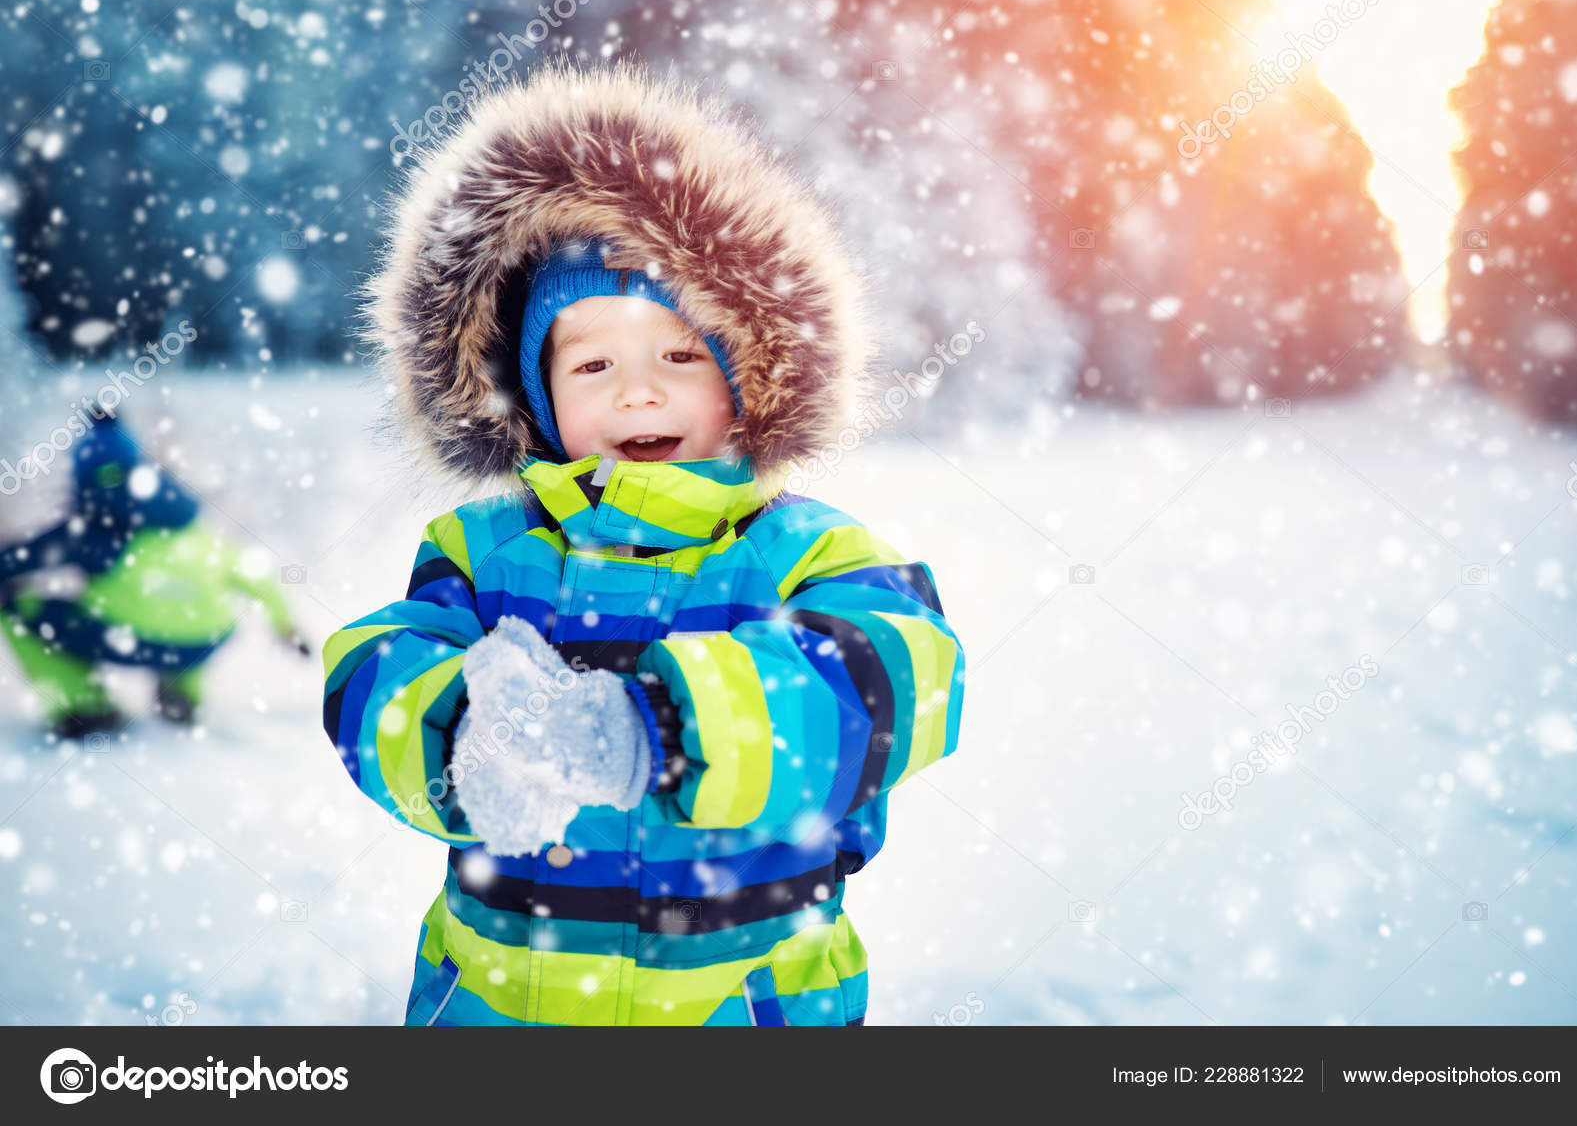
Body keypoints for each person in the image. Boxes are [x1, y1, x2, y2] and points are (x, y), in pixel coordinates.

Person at [323, 59, 966, 1026]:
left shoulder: (806, 553)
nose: (638, 391)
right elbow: (370, 672)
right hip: (501, 1009)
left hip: (744, 1004)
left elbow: (905, 682)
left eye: (679, 353)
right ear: (536, 396)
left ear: (748, 375)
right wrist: (461, 736)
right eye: (592, 362)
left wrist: (660, 728)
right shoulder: (485, 552)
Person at [0, 408, 310, 736]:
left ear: (80, 473)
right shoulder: (188, 521)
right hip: (203, 637)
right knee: (192, 613)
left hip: (129, 636)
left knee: (18, 608)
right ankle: (182, 695)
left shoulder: (90, 524)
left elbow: (14, 562)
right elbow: (255, 576)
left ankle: (85, 706)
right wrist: (286, 626)